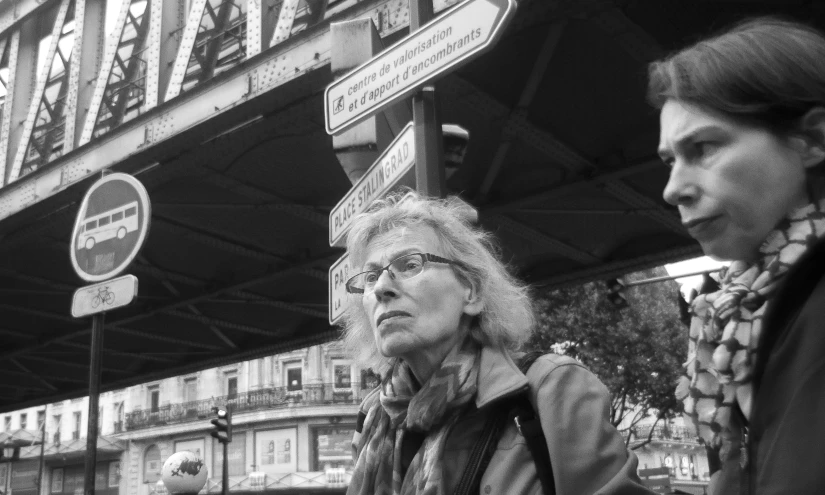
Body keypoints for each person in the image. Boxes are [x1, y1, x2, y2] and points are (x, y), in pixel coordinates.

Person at [340, 190, 651, 495]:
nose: (381, 287)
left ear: (471, 291)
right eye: (370, 277)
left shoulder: (552, 388)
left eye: (409, 264)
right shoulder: (373, 416)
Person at [649, 17, 825, 494]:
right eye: (670, 160)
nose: (672, 190)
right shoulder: (759, 301)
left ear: (812, 139)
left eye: (702, 147)